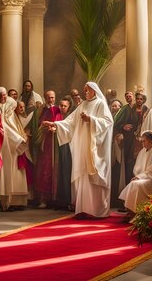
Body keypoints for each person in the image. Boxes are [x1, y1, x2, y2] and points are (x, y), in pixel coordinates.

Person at [44, 82, 113, 218]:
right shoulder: (83, 105)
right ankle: (83, 209)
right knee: (83, 176)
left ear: (93, 90)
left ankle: (97, 211)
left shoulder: (100, 103)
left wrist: (91, 119)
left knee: (94, 177)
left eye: (87, 90)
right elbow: (70, 122)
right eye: (84, 90)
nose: (85, 92)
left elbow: (108, 122)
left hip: (95, 148)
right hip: (82, 148)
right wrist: (55, 125)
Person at [0, 87, 28, 211]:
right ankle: (2, 201)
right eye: (1, 95)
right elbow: (4, 128)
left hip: (12, 149)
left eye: (4, 95)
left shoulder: (8, 111)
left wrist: (20, 139)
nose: (4, 97)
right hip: (2, 146)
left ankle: (10, 201)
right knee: (2, 173)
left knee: (10, 174)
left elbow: (12, 127)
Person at [119, 131, 152, 216]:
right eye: (142, 141)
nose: (142, 143)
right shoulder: (143, 151)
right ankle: (132, 211)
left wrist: (140, 177)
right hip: (145, 178)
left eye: (144, 141)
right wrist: (138, 176)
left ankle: (138, 213)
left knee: (137, 185)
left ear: (151, 141)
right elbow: (137, 167)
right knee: (134, 183)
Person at [114, 91, 148, 194]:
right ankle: (128, 190)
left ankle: (139, 190)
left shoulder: (146, 110)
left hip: (142, 141)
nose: (139, 100)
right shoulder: (128, 109)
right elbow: (116, 123)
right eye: (137, 98)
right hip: (129, 140)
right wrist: (123, 126)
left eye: (141, 99)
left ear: (144, 100)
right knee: (129, 164)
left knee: (141, 163)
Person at [35, 90, 63, 208]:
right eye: (49, 97)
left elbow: (61, 122)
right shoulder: (42, 110)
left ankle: (55, 198)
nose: (51, 100)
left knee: (55, 168)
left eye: (53, 97)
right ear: (45, 98)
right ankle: (43, 199)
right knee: (44, 169)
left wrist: (55, 126)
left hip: (56, 143)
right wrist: (44, 125)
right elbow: (37, 123)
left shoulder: (57, 109)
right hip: (45, 143)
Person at [56, 97, 73, 210]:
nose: (62, 107)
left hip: (68, 147)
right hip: (57, 147)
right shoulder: (57, 116)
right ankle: (60, 200)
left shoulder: (71, 117)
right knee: (59, 173)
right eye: (61, 105)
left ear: (69, 107)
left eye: (65, 106)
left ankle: (68, 200)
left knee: (67, 172)